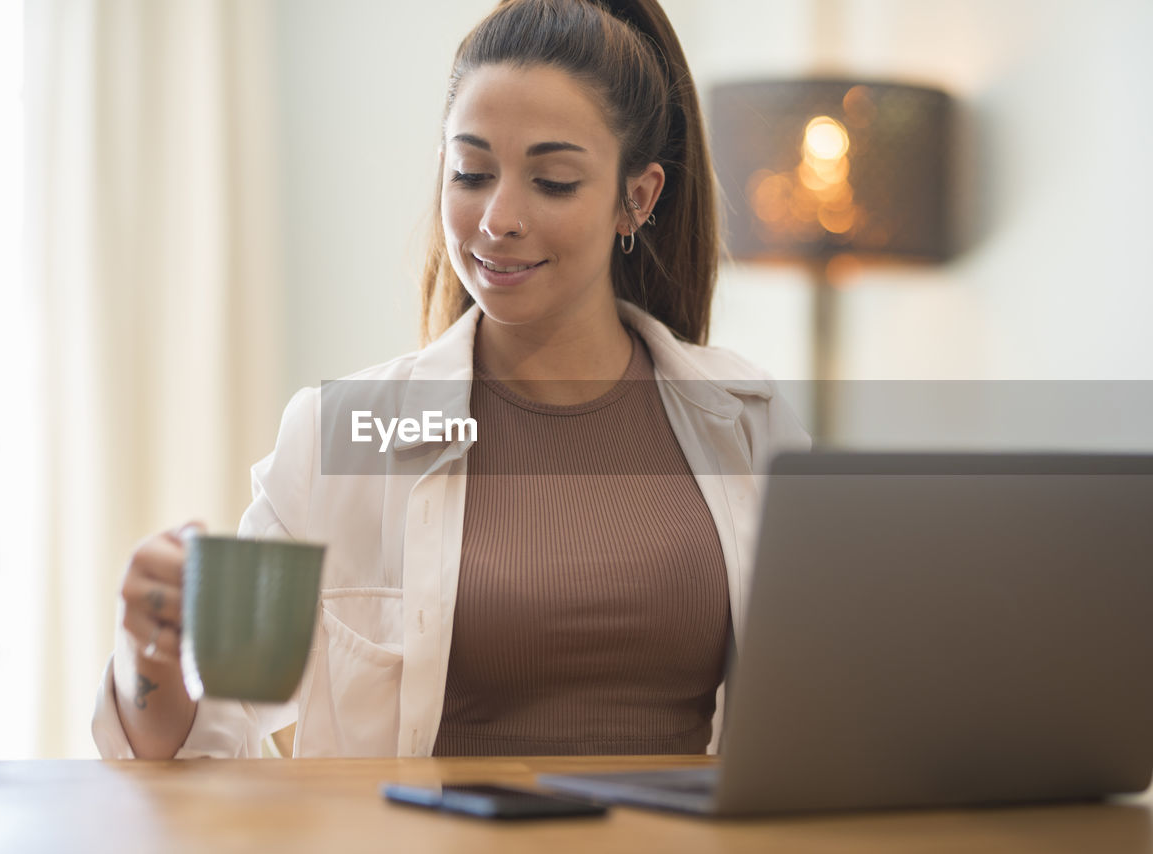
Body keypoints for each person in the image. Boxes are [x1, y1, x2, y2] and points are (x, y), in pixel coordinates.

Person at [92, 0, 809, 760]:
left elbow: (824, 716)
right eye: (472, 172)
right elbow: (207, 750)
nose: (498, 217)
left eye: (554, 181)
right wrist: (150, 663)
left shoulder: (749, 422)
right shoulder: (341, 436)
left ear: (638, 197)